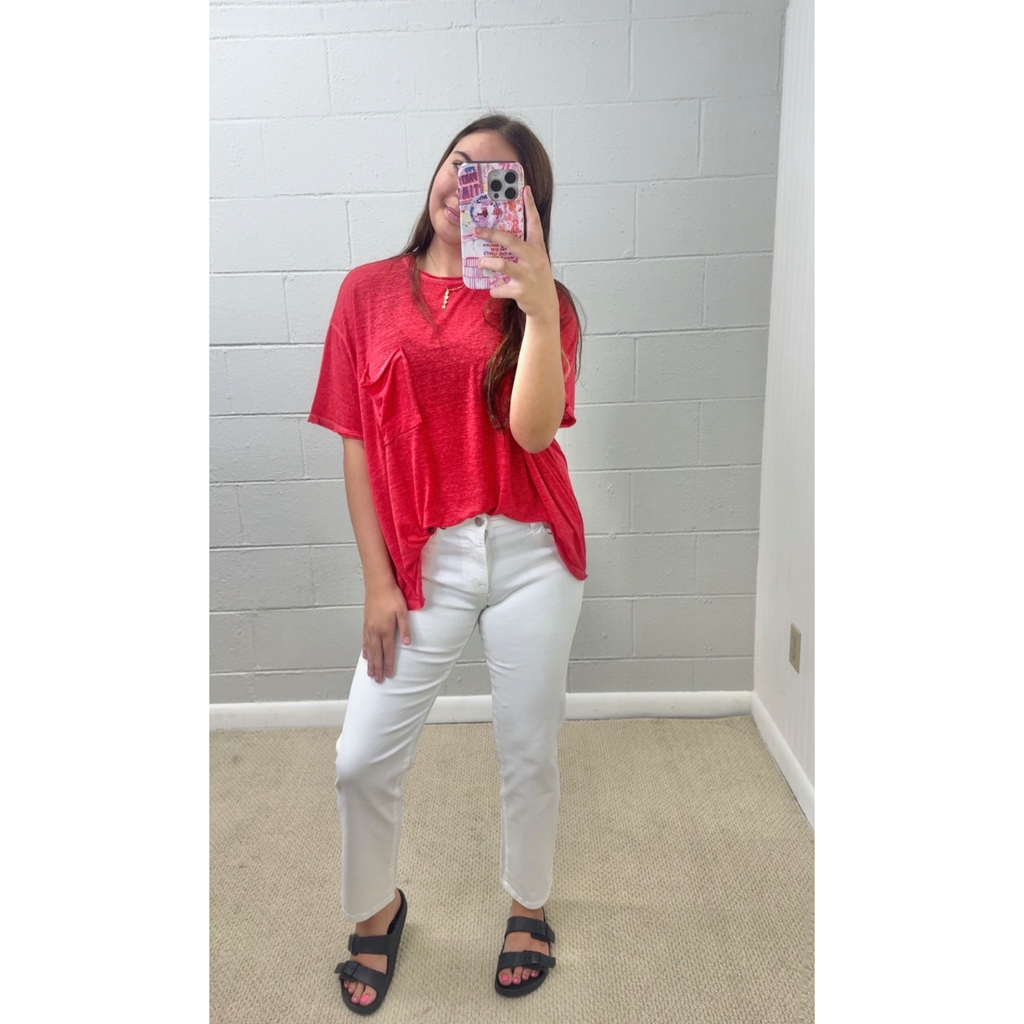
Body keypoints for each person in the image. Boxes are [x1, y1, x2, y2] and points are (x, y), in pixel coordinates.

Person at [307, 113, 587, 1014]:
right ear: (437, 172)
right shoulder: (366, 293)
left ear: (525, 207)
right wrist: (377, 580)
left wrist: (534, 304)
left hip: (532, 549)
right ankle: (376, 908)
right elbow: (356, 441)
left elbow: (533, 433)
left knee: (529, 749)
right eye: (460, 165)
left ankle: (528, 907)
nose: (466, 189)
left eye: (495, 180)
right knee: (360, 758)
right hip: (423, 558)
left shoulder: (546, 303)